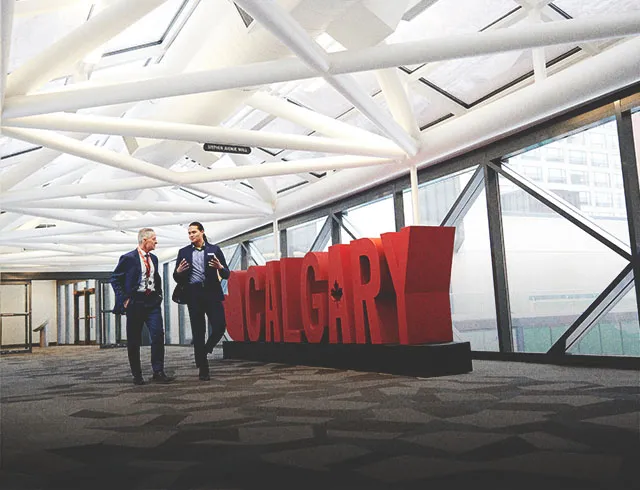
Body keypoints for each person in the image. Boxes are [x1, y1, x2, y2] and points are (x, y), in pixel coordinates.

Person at [111, 228, 173, 385]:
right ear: (144, 240)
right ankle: (137, 374)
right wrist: (124, 299)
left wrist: (158, 295)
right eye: (154, 239)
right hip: (135, 302)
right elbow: (115, 279)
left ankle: (158, 371)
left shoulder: (155, 258)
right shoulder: (128, 258)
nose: (156, 241)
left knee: (158, 335)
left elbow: (154, 277)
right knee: (134, 339)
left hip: (152, 301)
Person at [173, 222, 230, 381]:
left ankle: (204, 350)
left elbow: (227, 274)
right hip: (194, 294)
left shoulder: (214, 250)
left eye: (194, 232)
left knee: (219, 326)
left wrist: (219, 267)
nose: (191, 235)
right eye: (189, 233)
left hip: (212, 292)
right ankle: (204, 369)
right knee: (199, 332)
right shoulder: (183, 252)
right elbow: (176, 277)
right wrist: (177, 272)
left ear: (202, 232)